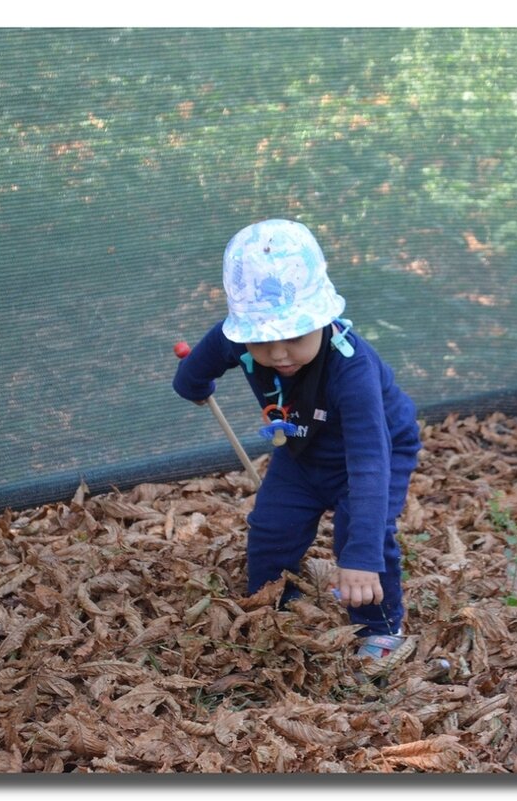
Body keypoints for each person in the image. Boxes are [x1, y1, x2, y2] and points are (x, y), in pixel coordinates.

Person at [173, 219, 421, 670]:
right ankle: (271, 607)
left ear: (322, 320)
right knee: (271, 527)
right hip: (301, 447)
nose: (280, 353)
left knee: (361, 536)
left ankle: (380, 629)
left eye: (294, 337)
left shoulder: (353, 370)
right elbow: (208, 358)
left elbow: (369, 462)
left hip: (372, 453)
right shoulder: (244, 341)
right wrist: (191, 382)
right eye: (265, 341)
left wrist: (360, 558)